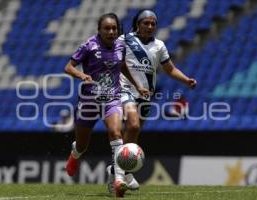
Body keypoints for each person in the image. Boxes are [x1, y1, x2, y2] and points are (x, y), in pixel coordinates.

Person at [106, 9, 197, 192]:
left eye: (153, 24)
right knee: (133, 126)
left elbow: (170, 69)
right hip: (124, 90)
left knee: (135, 132)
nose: (149, 26)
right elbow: (117, 62)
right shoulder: (125, 40)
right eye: (145, 23)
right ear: (137, 24)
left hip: (146, 95)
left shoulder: (159, 46)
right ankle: (121, 173)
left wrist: (186, 79)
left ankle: (118, 171)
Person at [63, 13, 149, 198]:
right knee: (82, 145)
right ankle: (75, 153)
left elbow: (122, 66)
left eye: (114, 29)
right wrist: (81, 76)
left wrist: (137, 85)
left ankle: (117, 180)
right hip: (89, 101)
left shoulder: (120, 45)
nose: (111, 32)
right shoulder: (89, 46)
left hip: (112, 98)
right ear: (99, 30)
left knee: (116, 132)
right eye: (107, 29)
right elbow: (68, 67)